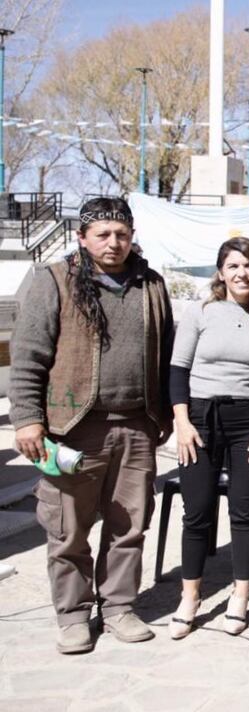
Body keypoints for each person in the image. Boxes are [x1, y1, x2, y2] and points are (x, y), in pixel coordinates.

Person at [11, 197, 173, 654]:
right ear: (82, 237)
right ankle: (74, 615)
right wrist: (27, 419)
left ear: (132, 235)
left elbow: (165, 355)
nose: (113, 242)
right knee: (68, 528)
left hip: (137, 428)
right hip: (71, 427)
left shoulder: (150, 284)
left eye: (121, 233)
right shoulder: (55, 282)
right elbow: (28, 357)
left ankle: (119, 606)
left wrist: (162, 415)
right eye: (102, 233)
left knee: (129, 525)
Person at [167, 237, 249, 639]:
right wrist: (182, 423)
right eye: (233, 266)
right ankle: (191, 597)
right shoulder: (200, 311)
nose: (242, 273)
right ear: (221, 272)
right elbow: (178, 371)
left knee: (243, 509)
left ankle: (240, 596)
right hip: (200, 420)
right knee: (197, 512)